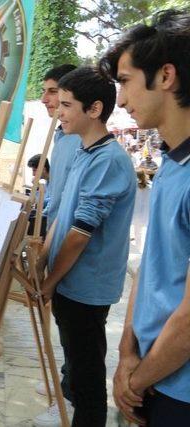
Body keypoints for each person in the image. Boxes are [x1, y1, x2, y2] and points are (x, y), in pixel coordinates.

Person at [100, 9, 190, 426]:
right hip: (153, 374)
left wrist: (137, 379)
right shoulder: (172, 162)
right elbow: (151, 268)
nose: (120, 99)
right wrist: (125, 353)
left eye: (125, 81)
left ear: (166, 76)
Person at [38, 66, 136, 426]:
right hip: (70, 283)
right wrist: (43, 261)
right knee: (77, 370)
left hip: (87, 287)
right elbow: (63, 214)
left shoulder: (109, 159)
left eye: (66, 105)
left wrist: (48, 284)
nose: (58, 111)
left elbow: (80, 233)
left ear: (94, 109)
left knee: (87, 380)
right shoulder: (83, 150)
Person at [32, 63, 81, 427]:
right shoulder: (61, 136)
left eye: (55, 94)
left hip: (75, 243)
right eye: (49, 93)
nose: (48, 101)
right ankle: (68, 382)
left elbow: (74, 203)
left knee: (80, 333)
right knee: (66, 326)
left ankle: (73, 396)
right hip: (57, 232)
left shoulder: (80, 139)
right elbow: (58, 193)